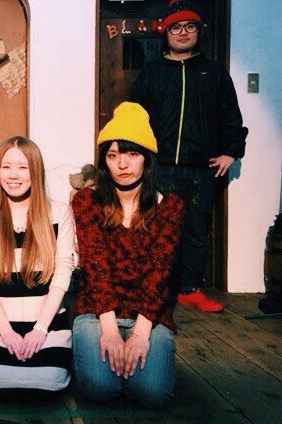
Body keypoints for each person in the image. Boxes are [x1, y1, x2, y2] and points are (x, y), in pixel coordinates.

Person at [129, 0, 248, 312]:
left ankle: (189, 289)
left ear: (198, 31)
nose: (183, 32)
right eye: (176, 27)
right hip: (160, 167)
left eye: (189, 26)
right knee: (157, 230)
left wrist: (232, 152)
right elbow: (133, 117)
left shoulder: (215, 73)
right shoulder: (151, 73)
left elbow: (231, 116)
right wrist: (137, 157)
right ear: (166, 33)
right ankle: (155, 289)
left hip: (201, 168)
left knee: (195, 230)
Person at [71, 102, 184, 408]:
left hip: (149, 314)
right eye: (112, 155)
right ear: (104, 162)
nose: (122, 164)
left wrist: (139, 334)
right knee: (99, 387)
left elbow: (159, 275)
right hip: (97, 311)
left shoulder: (169, 207)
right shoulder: (87, 201)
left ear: (147, 158)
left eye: (132, 154)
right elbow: (95, 268)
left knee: (152, 393)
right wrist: (109, 331)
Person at [0, 136, 75, 400]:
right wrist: (6, 332)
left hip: (46, 317)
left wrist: (40, 329)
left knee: (50, 381)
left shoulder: (58, 212)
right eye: (6, 167)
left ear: (36, 171)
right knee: (0, 380)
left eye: (22, 167)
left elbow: (63, 272)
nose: (13, 175)